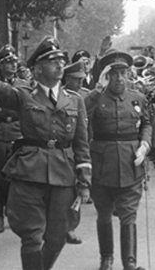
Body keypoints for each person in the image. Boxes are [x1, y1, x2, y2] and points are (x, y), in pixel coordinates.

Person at [0, 36, 92, 270]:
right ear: (37, 69)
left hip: (64, 173)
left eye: (61, 60)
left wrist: (84, 180)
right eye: (52, 60)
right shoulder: (25, 95)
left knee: (57, 236)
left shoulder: (75, 101)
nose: (59, 65)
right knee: (32, 236)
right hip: (29, 172)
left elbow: (82, 144)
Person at [84, 50, 151, 270]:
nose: (119, 78)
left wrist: (145, 145)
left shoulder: (137, 98)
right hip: (102, 166)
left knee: (129, 215)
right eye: (114, 74)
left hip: (131, 164)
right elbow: (80, 113)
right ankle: (107, 259)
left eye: (123, 73)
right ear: (107, 76)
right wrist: (97, 89)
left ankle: (130, 263)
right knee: (104, 214)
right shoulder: (96, 98)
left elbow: (147, 124)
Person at [0, 44, 25, 234]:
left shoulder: (22, 84)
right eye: (8, 62)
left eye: (14, 62)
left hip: (16, 132)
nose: (12, 65)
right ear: (0, 65)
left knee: (15, 176)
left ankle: (12, 212)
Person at [61, 59, 92, 245]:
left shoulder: (85, 96)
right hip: (63, 149)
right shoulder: (61, 95)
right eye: (75, 79)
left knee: (76, 191)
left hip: (77, 149)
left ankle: (70, 228)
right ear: (67, 79)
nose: (80, 83)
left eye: (82, 79)